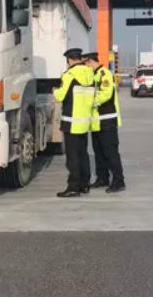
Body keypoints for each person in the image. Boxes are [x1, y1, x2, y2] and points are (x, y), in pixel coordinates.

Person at [53, 48, 96, 197]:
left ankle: (73, 187)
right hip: (84, 121)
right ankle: (85, 184)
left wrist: (54, 90)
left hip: (71, 122)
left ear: (70, 60)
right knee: (83, 154)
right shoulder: (90, 74)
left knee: (72, 157)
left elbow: (60, 96)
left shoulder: (69, 75)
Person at [84, 52, 126, 193]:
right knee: (99, 153)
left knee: (111, 153)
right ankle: (102, 178)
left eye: (86, 63)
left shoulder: (105, 74)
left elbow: (105, 94)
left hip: (107, 121)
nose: (85, 66)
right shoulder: (93, 75)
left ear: (90, 61)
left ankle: (119, 181)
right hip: (96, 123)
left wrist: (89, 101)